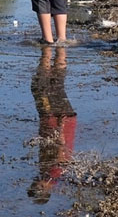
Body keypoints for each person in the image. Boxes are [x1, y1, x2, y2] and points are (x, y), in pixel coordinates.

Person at [27, 45, 76, 204]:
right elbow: (61, 150)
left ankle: (58, 50)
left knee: (54, 83)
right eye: (35, 187)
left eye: (32, 186)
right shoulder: (53, 173)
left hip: (57, 119)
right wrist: (60, 125)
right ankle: (51, 50)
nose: (33, 183)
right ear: (43, 189)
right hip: (57, 118)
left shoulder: (49, 175)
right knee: (40, 86)